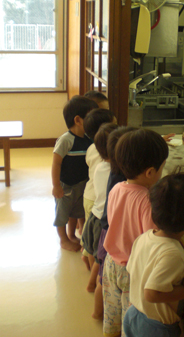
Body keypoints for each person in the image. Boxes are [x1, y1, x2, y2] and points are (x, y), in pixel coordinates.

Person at [102, 128, 169, 337]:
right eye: (162, 169)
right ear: (150, 172)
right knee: (130, 317)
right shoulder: (146, 201)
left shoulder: (117, 188)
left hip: (111, 263)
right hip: (131, 270)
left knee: (112, 309)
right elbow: (152, 241)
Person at [123, 171, 184, 337]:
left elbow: (132, 271)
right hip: (155, 328)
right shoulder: (174, 254)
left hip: (133, 313)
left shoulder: (144, 238)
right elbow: (151, 294)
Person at [92, 126, 137, 320]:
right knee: (104, 281)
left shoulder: (116, 172)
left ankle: (98, 312)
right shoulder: (124, 181)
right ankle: (97, 312)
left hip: (108, 234)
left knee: (104, 276)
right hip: (112, 235)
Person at [51, 95, 98, 252]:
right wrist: (56, 185)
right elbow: (56, 163)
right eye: (91, 118)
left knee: (76, 212)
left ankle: (72, 234)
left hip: (81, 183)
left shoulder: (88, 138)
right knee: (62, 213)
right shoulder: (65, 140)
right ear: (78, 120)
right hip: (66, 185)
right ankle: (63, 239)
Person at [82, 122, 118, 292]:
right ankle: (93, 283)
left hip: (93, 217)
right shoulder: (116, 172)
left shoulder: (100, 167)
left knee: (93, 252)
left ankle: (91, 278)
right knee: (100, 258)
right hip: (103, 222)